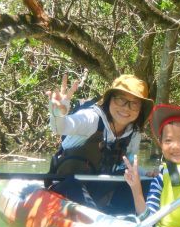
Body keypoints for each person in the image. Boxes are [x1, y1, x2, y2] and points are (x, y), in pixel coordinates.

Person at [47, 72, 153, 214]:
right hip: (67, 186)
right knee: (74, 184)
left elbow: (128, 165)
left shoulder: (134, 133)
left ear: (140, 109)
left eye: (134, 103)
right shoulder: (92, 119)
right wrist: (59, 113)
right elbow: (61, 127)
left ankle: (127, 218)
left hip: (97, 189)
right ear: (109, 100)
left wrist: (149, 174)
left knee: (146, 184)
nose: (126, 108)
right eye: (121, 99)